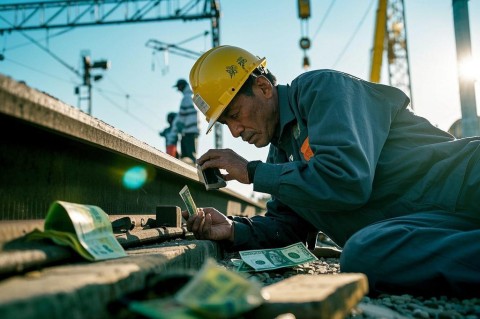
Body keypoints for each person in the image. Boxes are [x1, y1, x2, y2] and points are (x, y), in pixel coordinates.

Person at [182, 45, 480, 298]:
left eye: (234, 115)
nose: (235, 132)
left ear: (263, 87)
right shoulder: (280, 155)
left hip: (466, 178)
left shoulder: (319, 90)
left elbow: (347, 180)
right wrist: (234, 230)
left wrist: (252, 172)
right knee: (363, 255)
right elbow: (288, 228)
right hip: (433, 223)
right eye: (225, 125)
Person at [172, 78, 200, 164]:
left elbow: (182, 117)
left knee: (189, 157)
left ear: (182, 86)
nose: (178, 90)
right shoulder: (192, 96)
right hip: (191, 131)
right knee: (190, 156)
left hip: (188, 132)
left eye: (178, 87)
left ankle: (191, 175)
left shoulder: (186, 98)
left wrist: (177, 128)